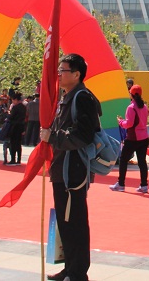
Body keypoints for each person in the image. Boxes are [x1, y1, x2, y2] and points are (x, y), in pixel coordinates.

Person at [40, 53, 100, 281]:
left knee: (75, 222)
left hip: (73, 171)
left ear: (76, 74)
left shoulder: (82, 98)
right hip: (61, 169)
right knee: (65, 223)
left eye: (62, 70)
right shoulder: (67, 97)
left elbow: (83, 136)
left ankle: (78, 273)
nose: (58, 74)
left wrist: (53, 137)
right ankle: (70, 268)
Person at [111, 84, 149, 193]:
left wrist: (120, 122)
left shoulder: (131, 107)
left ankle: (121, 184)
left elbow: (129, 124)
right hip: (144, 137)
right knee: (142, 162)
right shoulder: (144, 107)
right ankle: (144, 185)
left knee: (123, 160)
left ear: (131, 94)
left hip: (133, 138)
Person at [5, 91, 26, 165]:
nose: (13, 102)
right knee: (18, 144)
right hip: (21, 126)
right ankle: (18, 160)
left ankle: (13, 159)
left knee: (13, 143)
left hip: (14, 126)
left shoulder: (15, 107)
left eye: (13, 100)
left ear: (16, 100)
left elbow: (11, 117)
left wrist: (7, 114)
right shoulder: (24, 107)